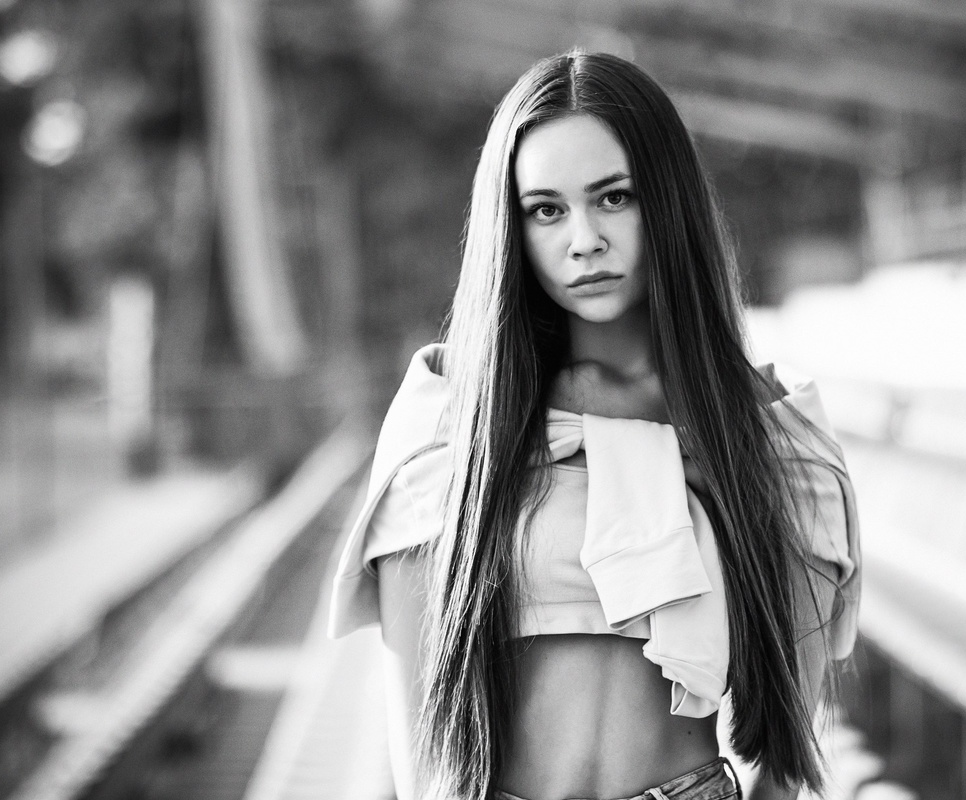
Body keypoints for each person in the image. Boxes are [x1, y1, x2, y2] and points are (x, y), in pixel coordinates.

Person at [328, 51, 861, 800]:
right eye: (547, 209)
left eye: (614, 197)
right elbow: (424, 755)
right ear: (511, 228)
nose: (583, 239)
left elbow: (787, 762)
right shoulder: (453, 421)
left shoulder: (771, 437)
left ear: (667, 202)